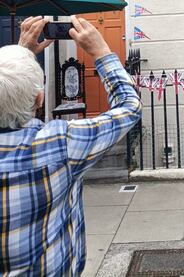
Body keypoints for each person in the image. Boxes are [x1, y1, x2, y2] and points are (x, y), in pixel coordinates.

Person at [0, 15, 142, 275]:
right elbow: (129, 107)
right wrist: (101, 51)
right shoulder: (60, 144)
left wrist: (21, 56)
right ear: (39, 98)